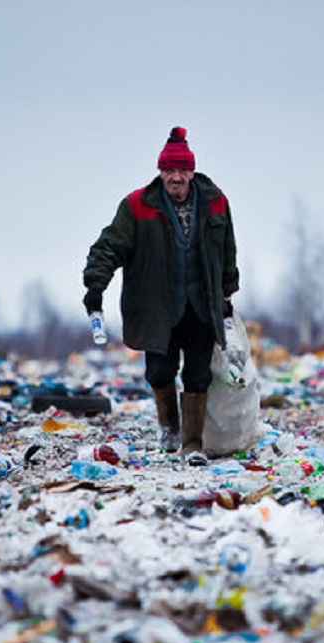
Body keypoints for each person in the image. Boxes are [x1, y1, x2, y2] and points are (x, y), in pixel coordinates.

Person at [83, 126, 239, 466]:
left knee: (198, 374)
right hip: (156, 306)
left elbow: (227, 250)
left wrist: (226, 295)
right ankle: (169, 427)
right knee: (160, 372)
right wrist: (96, 286)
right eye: (170, 170)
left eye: (183, 170)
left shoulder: (216, 202)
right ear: (161, 172)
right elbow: (109, 247)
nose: (176, 177)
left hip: (200, 304)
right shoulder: (137, 206)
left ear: (192, 172)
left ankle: (193, 444)